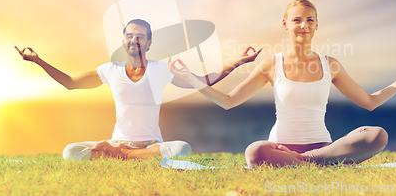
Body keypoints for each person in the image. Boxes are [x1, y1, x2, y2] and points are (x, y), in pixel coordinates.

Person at [168, 0, 396, 168]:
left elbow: (370, 102)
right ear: (285, 24)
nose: (303, 25)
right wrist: (190, 77)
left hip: (324, 147)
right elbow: (228, 101)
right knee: (255, 151)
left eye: (309, 20)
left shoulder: (331, 64)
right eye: (297, 20)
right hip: (280, 148)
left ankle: (306, 161)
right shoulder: (271, 64)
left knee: (377, 135)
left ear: (316, 25)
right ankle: (319, 162)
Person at [15, 19, 261, 161]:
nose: (135, 40)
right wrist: (38, 60)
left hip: (152, 144)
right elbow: (71, 82)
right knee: (70, 152)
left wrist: (238, 61)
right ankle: (127, 155)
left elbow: (203, 81)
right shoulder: (109, 70)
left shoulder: (163, 68)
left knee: (181, 149)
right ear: (123, 42)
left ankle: (120, 156)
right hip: (118, 140)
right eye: (130, 36)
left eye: (141, 36)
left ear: (150, 42)